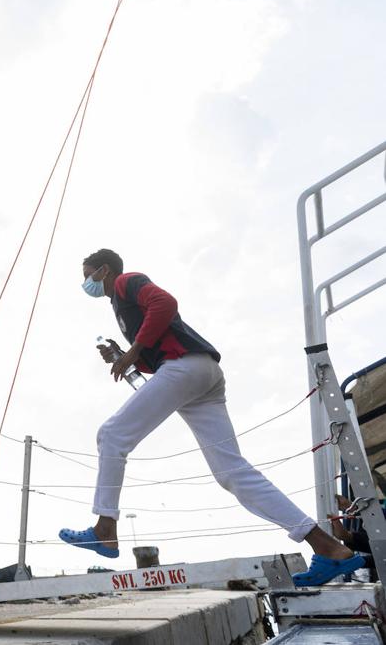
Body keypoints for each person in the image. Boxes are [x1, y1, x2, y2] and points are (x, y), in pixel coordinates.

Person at [59, 248, 363, 586]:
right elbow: (159, 353)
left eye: (87, 275)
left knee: (112, 435)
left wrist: (133, 350)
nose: (86, 283)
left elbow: (165, 303)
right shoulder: (121, 308)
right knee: (232, 473)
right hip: (199, 373)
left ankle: (105, 528)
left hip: (186, 368)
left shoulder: (126, 282)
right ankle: (328, 547)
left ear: (104, 270)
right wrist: (126, 355)